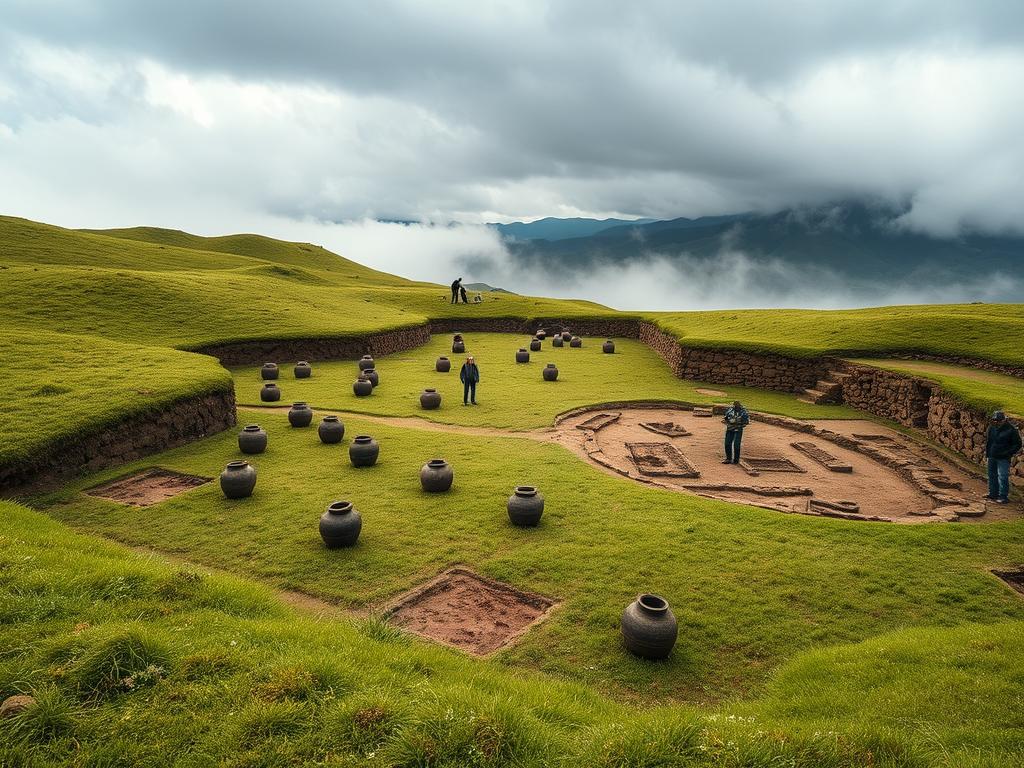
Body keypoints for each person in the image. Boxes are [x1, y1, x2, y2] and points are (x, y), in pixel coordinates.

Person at [984, 410, 1021, 504]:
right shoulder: (992, 427)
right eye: (995, 420)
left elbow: (1017, 444)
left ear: (1004, 420)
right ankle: (993, 494)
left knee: (1002, 476)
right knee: (992, 475)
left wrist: (1008, 453)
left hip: (1003, 458)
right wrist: (988, 453)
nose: (997, 422)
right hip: (992, 455)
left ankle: (1003, 496)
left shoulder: (1011, 430)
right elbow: (989, 441)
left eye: (999, 420)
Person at [722, 400, 749, 464]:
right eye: (734, 406)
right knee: (727, 443)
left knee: (736, 445)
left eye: (736, 406)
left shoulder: (743, 412)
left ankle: (736, 460)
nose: (735, 407)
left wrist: (738, 423)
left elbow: (746, 422)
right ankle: (728, 458)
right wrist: (728, 422)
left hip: (738, 429)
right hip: (730, 428)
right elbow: (725, 418)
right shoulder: (730, 410)